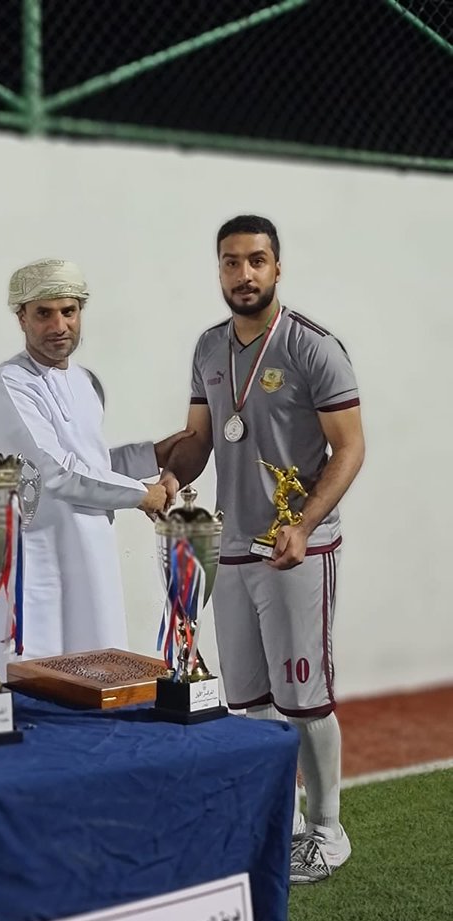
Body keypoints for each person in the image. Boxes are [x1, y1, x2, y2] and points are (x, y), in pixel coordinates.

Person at [161, 215, 365, 884]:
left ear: (278, 267)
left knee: (303, 696)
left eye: (256, 260)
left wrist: (302, 524)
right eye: (231, 261)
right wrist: (171, 478)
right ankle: (282, 822)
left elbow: (350, 448)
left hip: (298, 548)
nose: (243, 274)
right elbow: (200, 438)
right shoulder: (208, 347)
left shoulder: (313, 347)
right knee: (249, 698)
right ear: (219, 269)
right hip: (233, 546)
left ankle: (329, 831)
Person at [0, 257, 188, 662]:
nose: (59, 325)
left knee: (97, 667)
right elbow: (53, 472)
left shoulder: (85, 381)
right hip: (40, 558)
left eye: (69, 311)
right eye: (44, 313)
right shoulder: (8, 384)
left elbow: (90, 463)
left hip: (92, 554)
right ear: (22, 318)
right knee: (39, 675)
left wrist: (151, 455)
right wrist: (141, 494)